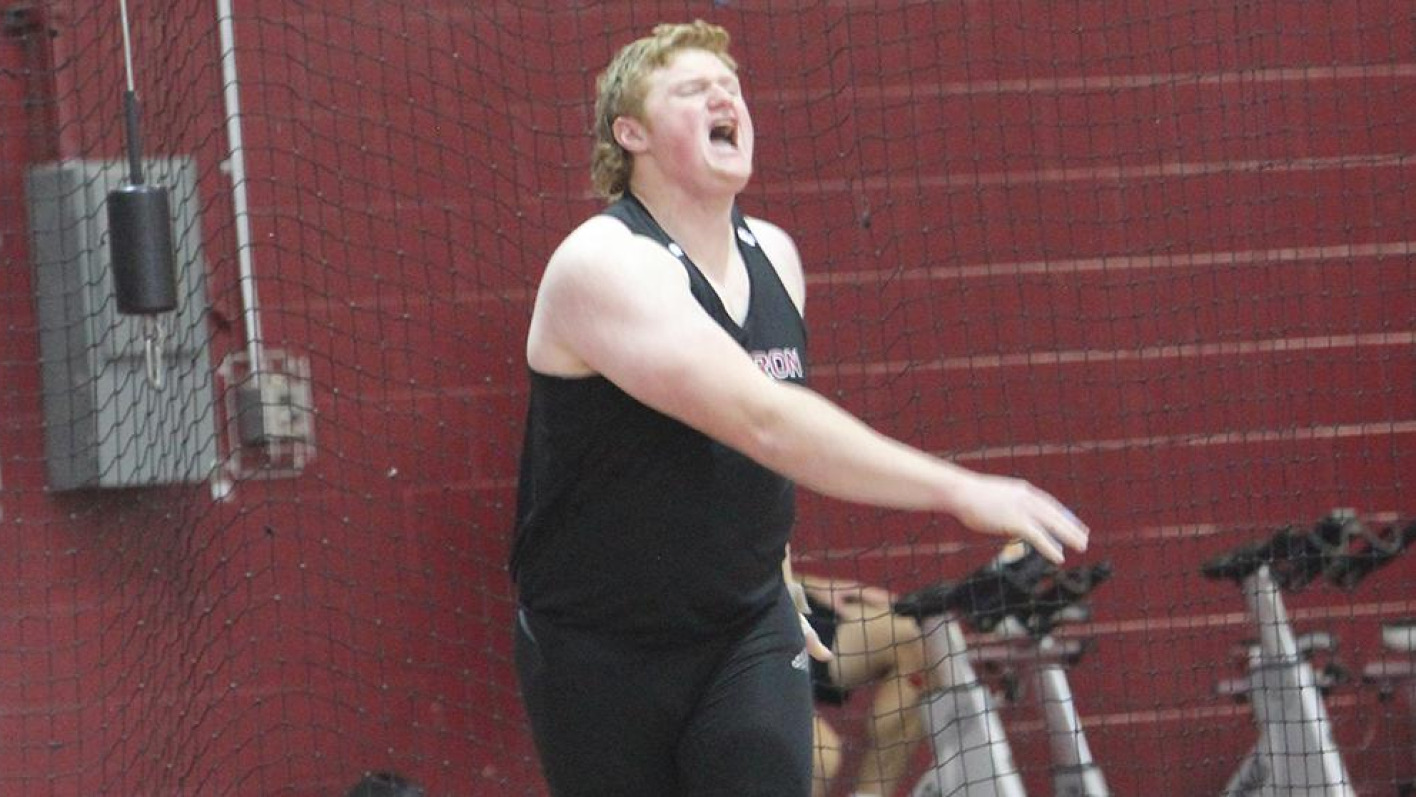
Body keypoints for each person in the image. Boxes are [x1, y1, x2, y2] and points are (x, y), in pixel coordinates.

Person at [509, 19, 1089, 797]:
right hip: (601, 649)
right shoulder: (602, 263)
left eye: (732, 86)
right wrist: (961, 488)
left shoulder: (775, 254)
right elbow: (764, 418)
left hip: (745, 629)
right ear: (631, 133)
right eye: (691, 88)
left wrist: (774, 565)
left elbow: (761, 452)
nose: (724, 95)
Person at [792, 570, 929, 797]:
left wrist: (811, 585)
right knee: (818, 759)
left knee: (911, 637)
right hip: (737, 632)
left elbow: (766, 557)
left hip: (787, 604)